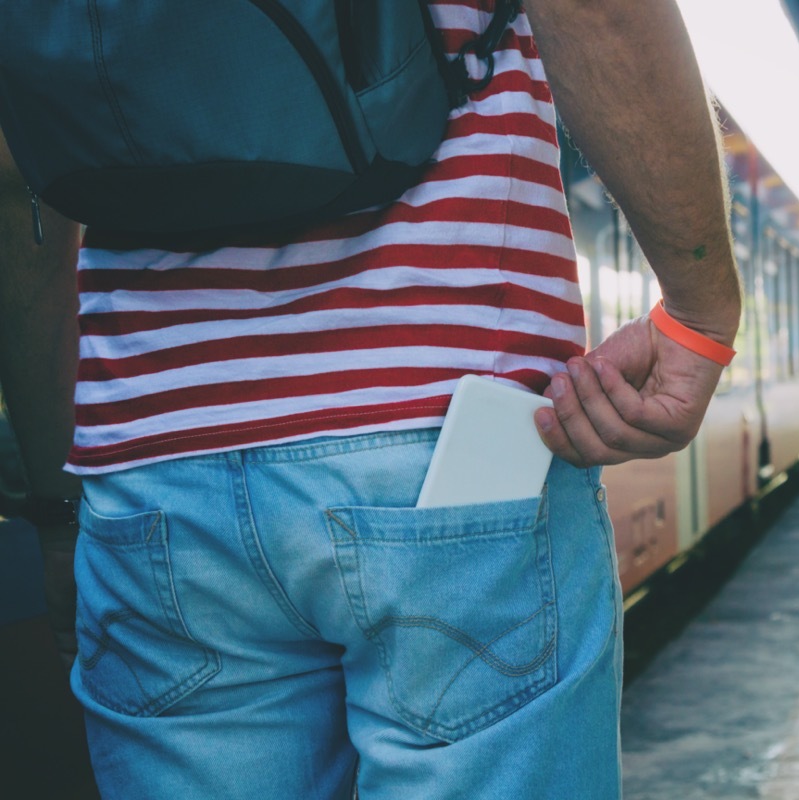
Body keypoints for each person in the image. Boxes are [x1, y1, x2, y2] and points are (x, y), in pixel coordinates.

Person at [0, 1, 741, 798]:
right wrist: (700, 313)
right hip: (446, 440)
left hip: (153, 472)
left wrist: (58, 508)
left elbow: (18, 195)